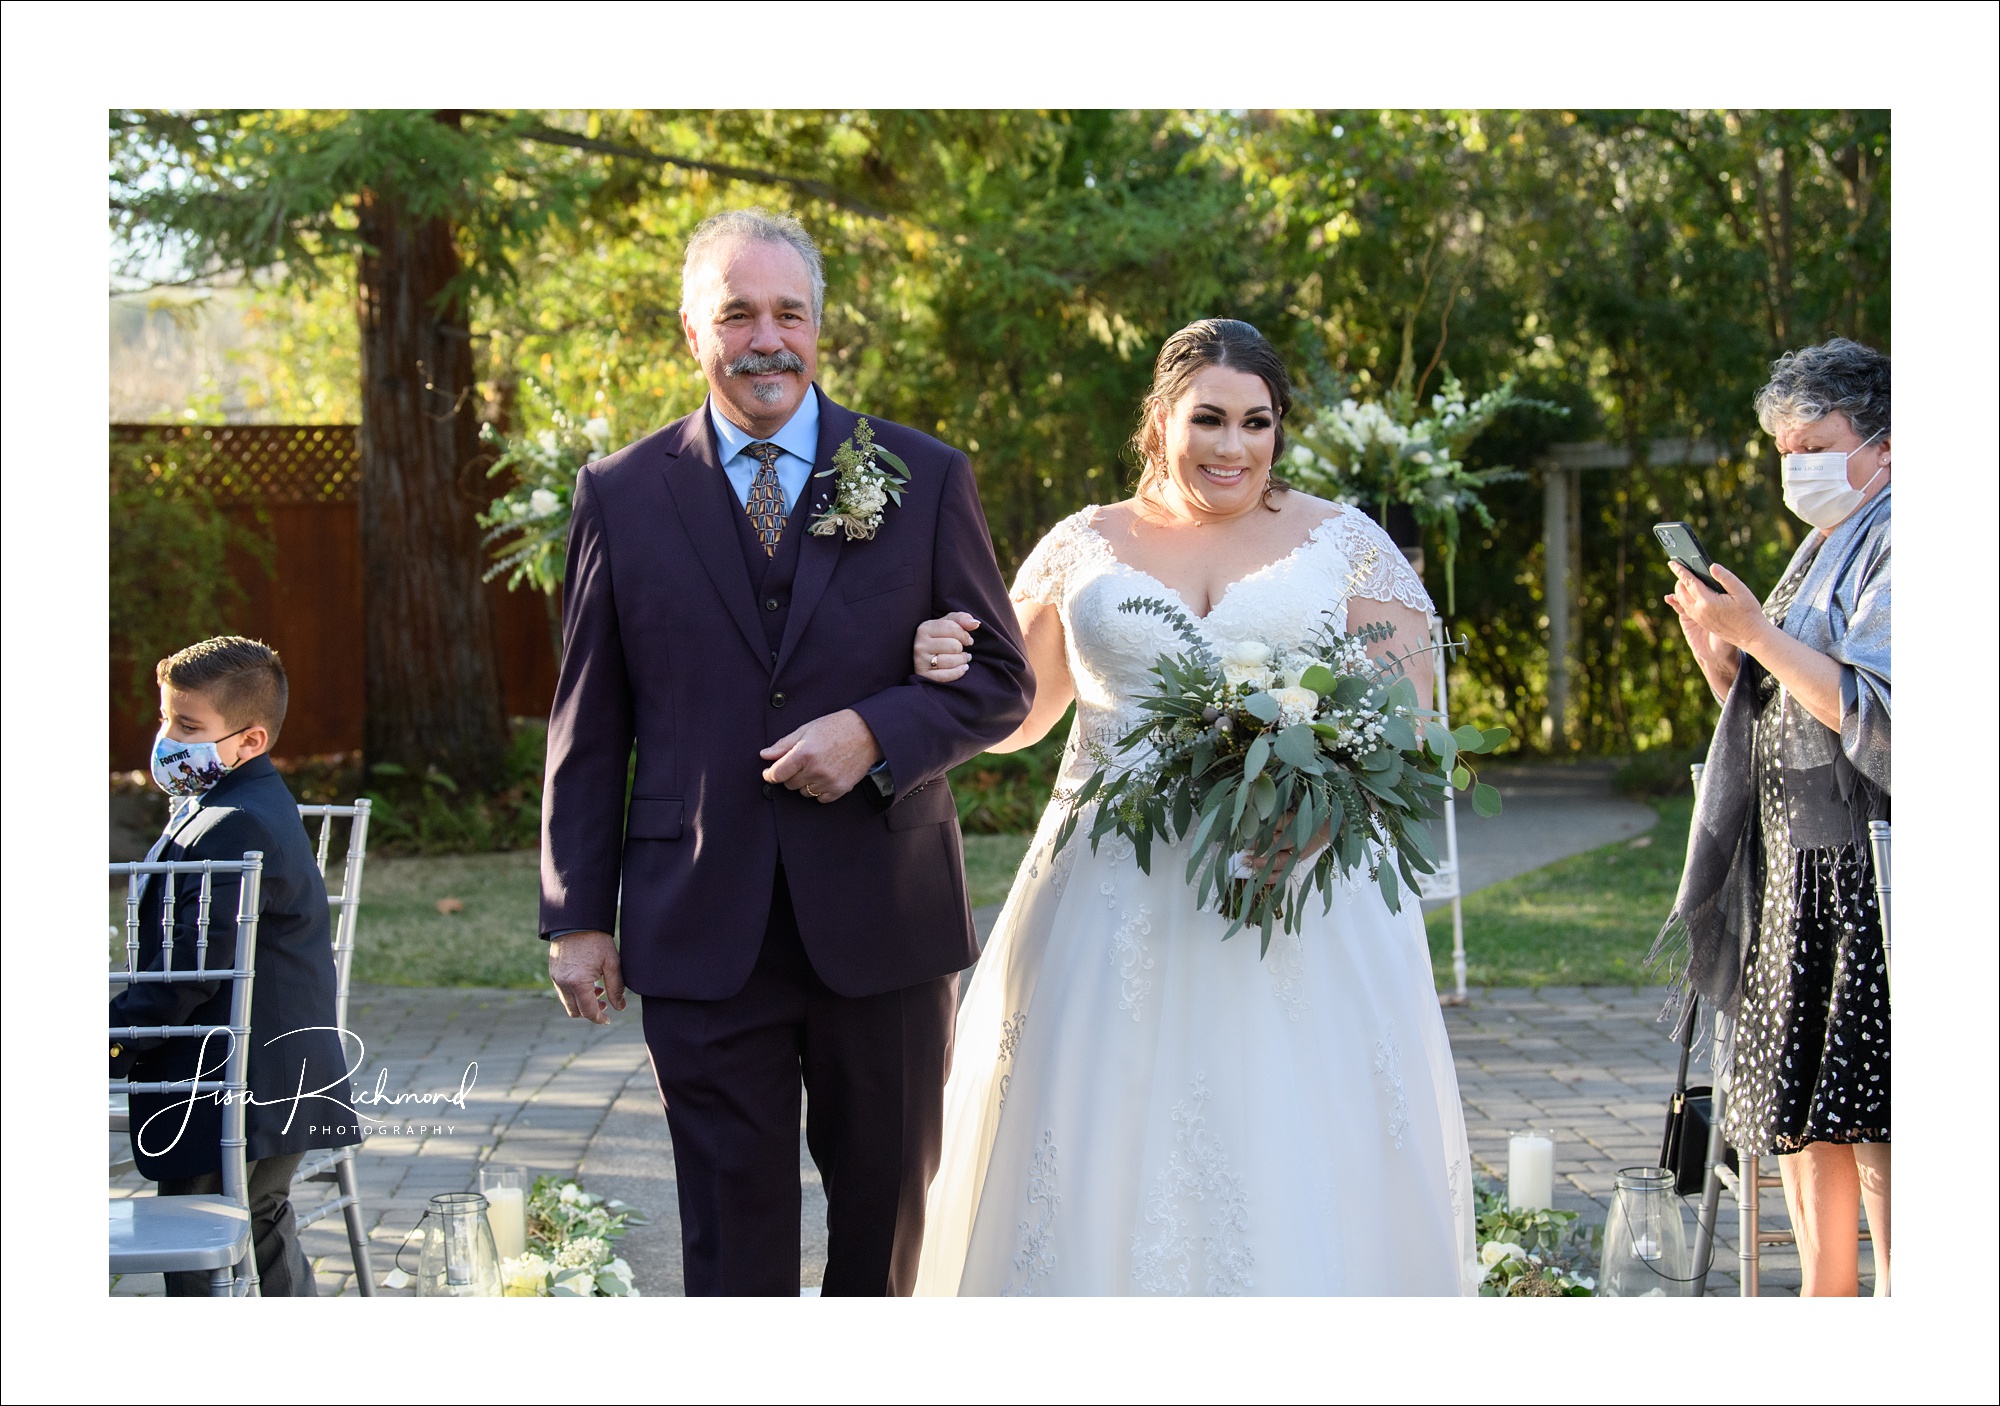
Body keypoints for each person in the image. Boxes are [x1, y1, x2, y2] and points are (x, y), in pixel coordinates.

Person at [907, 318, 1478, 1295]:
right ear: (1158, 420)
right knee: (1102, 1124)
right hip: (1109, 892)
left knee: (1287, 1131)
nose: (1231, 446)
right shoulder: (1080, 546)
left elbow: (1409, 722)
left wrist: (1320, 816)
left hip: (1292, 886)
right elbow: (1019, 716)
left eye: (1255, 422)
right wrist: (940, 668)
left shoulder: (1344, 543)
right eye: (1207, 418)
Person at [538, 209, 1033, 1296]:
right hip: (700, 924)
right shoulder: (620, 494)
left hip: (882, 922)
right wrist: (577, 914)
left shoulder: (919, 472)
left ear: (819, 326)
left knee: (884, 1229)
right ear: (690, 330)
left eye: (788, 313)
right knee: (729, 1244)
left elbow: (1002, 680)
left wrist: (875, 731)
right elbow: (588, 717)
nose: (766, 338)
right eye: (736, 313)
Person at [1658, 337, 1891, 1296]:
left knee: (1876, 1119)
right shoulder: (1827, 539)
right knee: (1806, 1120)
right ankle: (1824, 1314)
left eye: (1815, 442)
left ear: (1884, 442)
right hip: (1795, 869)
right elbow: (1776, 706)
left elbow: (1882, 712)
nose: (1797, 466)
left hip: (1866, 876)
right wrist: (1723, 654)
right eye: (1784, 449)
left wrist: (1756, 634)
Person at [111, 636, 360, 1295]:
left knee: (196, 1233)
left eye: (187, 726)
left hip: (234, 1087)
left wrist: (107, 1043)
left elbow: (188, 978)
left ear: (249, 741)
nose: (166, 738)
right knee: (259, 1218)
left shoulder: (236, 825)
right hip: (279, 1075)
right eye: (165, 718)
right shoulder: (226, 805)